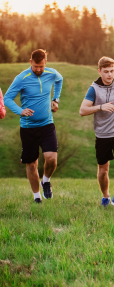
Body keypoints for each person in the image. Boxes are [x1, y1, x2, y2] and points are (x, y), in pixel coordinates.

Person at [4, 49, 63, 203]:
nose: (38, 70)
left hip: (47, 124)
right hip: (28, 127)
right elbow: (7, 98)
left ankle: (46, 180)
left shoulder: (51, 73)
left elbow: (60, 80)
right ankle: (37, 197)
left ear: (46, 63)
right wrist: (20, 111)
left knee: (52, 159)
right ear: (31, 62)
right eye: (36, 66)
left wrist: (56, 99)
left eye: (41, 67)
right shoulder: (21, 78)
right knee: (31, 164)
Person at [79, 57, 114, 209]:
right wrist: (100, 107)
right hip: (102, 135)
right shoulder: (94, 89)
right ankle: (106, 196)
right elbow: (82, 110)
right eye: (106, 72)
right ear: (99, 72)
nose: (110, 75)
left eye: (112, 71)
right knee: (103, 171)